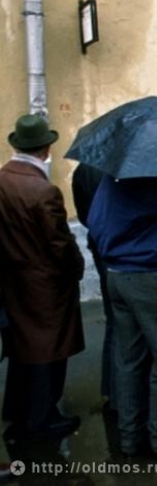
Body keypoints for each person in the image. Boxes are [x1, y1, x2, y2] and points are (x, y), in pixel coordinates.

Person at [86, 174, 157, 457]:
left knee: (129, 360)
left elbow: (95, 226)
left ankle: (130, 436)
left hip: (118, 274)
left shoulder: (112, 179)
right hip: (152, 275)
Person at [0, 114, 85, 442]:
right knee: (48, 353)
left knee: (23, 348)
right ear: (45, 148)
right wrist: (76, 268)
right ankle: (42, 420)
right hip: (46, 287)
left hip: (13, 281)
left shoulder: (4, 179)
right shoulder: (42, 191)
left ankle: (17, 410)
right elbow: (59, 244)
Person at [71, 163, 117, 413]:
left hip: (101, 248)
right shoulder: (121, 170)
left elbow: (82, 214)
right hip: (127, 255)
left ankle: (112, 391)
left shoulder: (82, 170)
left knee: (114, 323)